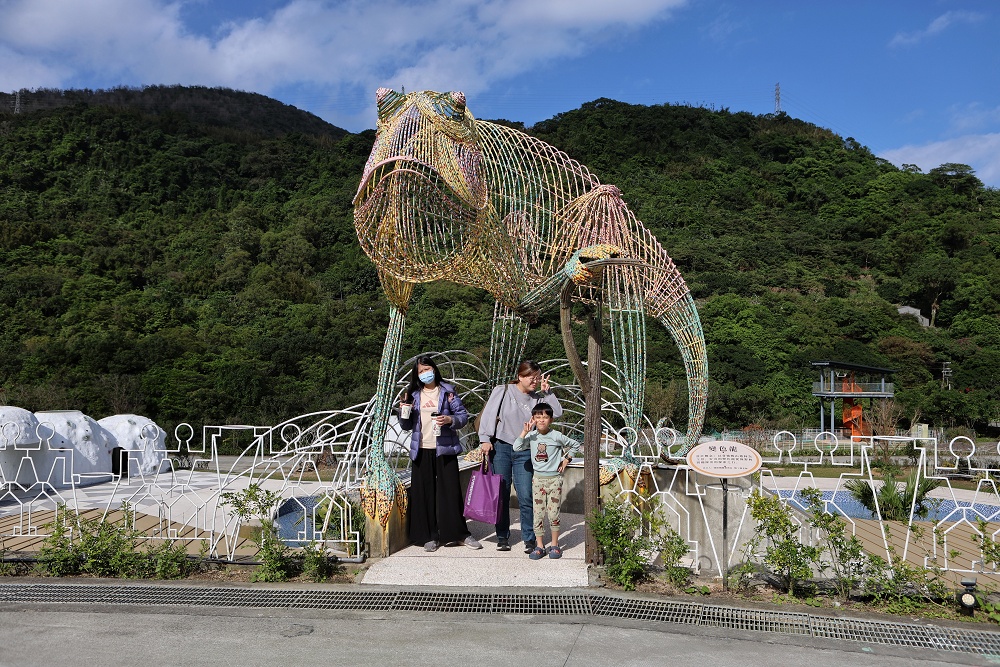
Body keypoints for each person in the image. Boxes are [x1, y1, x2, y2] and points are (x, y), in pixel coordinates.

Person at [478, 359, 562, 553]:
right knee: (502, 494)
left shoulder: (538, 399)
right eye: (531, 377)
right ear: (520, 376)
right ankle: (502, 537)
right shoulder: (503, 390)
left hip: (525, 450)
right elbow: (489, 415)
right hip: (501, 448)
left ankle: (529, 538)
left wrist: (548, 392)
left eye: (537, 378)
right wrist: (484, 439)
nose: (535, 381)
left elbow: (557, 413)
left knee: (526, 495)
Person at [398, 356, 482, 552]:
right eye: (420, 371)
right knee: (424, 494)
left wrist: (449, 419)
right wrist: (403, 411)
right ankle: (429, 536)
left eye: (427, 369)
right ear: (416, 374)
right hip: (421, 449)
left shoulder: (448, 392)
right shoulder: (413, 395)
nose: (424, 373)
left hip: (445, 448)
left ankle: (459, 534)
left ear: (434, 369)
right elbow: (406, 426)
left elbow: (463, 417)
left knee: (451, 492)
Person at [512, 402, 581, 560]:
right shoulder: (531, 436)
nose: (541, 420)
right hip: (538, 480)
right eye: (538, 417)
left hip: (554, 480)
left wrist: (566, 459)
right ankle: (540, 546)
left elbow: (575, 445)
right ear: (533, 419)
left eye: (545, 417)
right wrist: (524, 431)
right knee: (538, 515)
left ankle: (555, 545)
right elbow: (516, 447)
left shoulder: (556, 436)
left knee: (553, 514)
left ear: (551, 420)